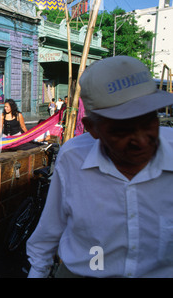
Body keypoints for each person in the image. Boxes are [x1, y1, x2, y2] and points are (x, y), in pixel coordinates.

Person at [26, 56, 173, 278]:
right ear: (92, 129)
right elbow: (50, 229)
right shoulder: (73, 158)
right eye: (122, 130)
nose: (142, 140)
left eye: (148, 121)